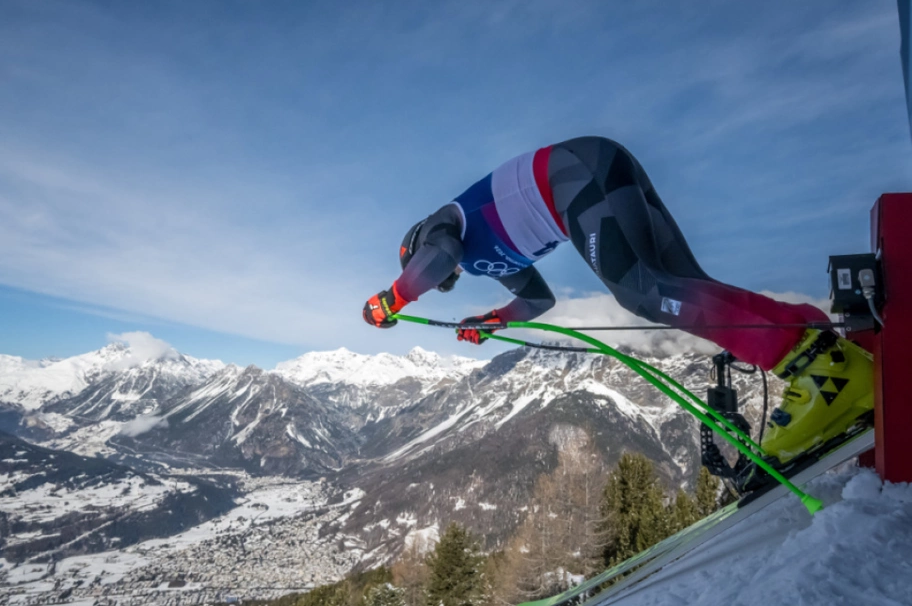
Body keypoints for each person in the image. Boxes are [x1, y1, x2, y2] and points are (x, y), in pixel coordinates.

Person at [363, 136, 873, 472]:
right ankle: (815, 343)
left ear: (414, 246)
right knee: (680, 283)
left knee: (642, 294)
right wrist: (493, 321)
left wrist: (393, 298)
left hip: (576, 179)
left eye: (438, 275)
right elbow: (538, 299)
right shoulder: (480, 258)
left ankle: (819, 369)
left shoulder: (440, 227)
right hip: (598, 168)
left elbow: (438, 255)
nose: (449, 277)